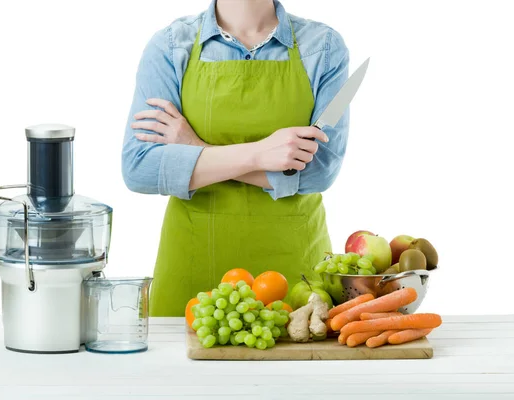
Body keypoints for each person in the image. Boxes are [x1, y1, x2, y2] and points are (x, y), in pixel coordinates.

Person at [122, 0, 350, 316]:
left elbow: (319, 172)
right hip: (193, 267)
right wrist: (259, 155)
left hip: (295, 279)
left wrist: (194, 147)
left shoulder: (323, 48)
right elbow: (140, 168)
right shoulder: (172, 46)